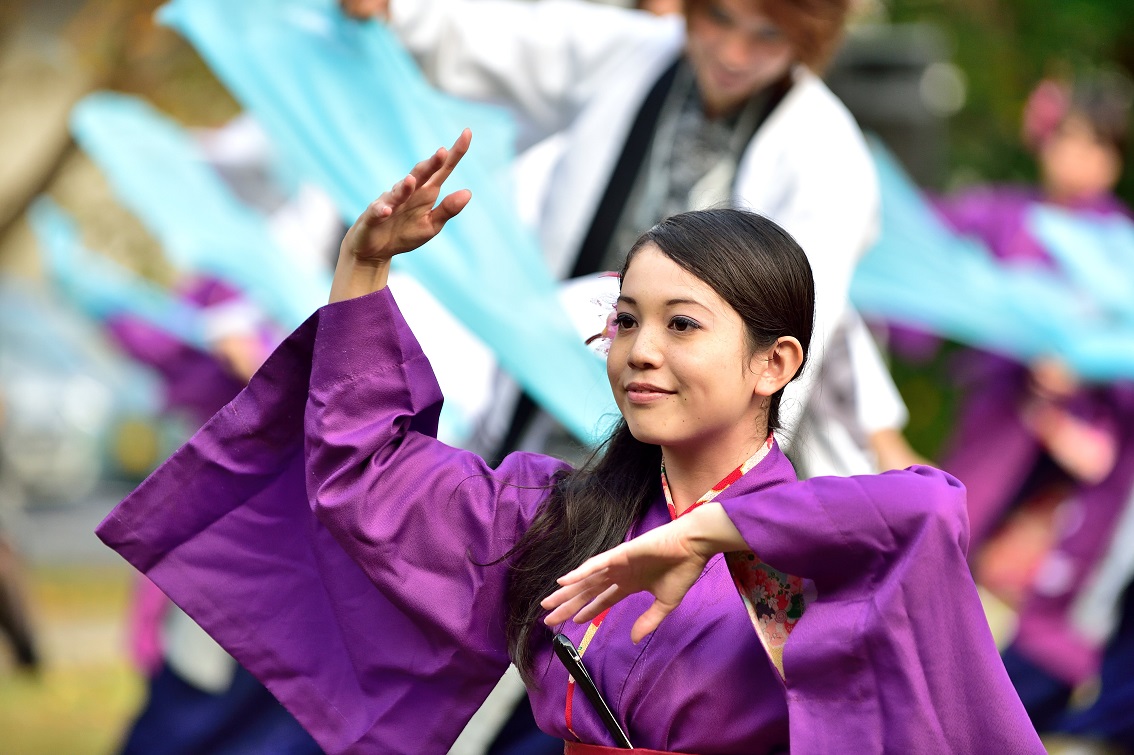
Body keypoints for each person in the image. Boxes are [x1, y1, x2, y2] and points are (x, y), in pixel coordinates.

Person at [97, 131, 1041, 753]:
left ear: (774, 362)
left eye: (682, 326)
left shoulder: (827, 548)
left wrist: (716, 534)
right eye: (626, 321)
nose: (639, 352)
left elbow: (930, 507)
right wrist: (362, 267)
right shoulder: (559, 513)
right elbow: (360, 474)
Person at [341, 0, 919, 478]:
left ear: (807, 41)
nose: (733, 53)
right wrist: (399, 10)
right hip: (554, 387)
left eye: (766, 35)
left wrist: (734, 483)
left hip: (695, 428)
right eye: (719, 18)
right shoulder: (636, 55)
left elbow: (799, 326)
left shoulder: (826, 153)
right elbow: (509, 40)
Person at [929, 73, 1134, 731]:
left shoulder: (1120, 245)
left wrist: (1085, 373)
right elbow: (933, 259)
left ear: (1114, 159)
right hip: (1001, 430)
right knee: (948, 560)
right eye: (1069, 138)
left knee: (1035, 628)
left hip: (1077, 471)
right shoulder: (1003, 214)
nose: (1078, 159)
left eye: (1096, 145)